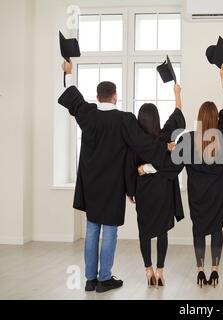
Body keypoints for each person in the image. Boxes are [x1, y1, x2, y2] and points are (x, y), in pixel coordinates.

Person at [58, 60, 173, 293]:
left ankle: (90, 279)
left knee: (92, 229)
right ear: (115, 97)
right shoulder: (124, 119)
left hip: (90, 184)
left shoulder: (88, 114)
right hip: (112, 185)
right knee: (109, 229)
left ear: (98, 97)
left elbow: (74, 100)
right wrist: (164, 149)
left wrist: (68, 74)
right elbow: (143, 144)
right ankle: (104, 279)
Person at [172, 64, 223, 288]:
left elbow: (173, 162)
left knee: (199, 230)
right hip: (219, 195)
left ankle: (200, 271)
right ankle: (215, 270)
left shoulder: (187, 139)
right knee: (216, 229)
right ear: (217, 120)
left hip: (197, 195)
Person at [126, 83, 186, 288]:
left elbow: (129, 168)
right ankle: (160, 271)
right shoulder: (164, 136)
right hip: (163, 191)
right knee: (162, 231)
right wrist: (177, 94)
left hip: (144, 192)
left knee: (144, 232)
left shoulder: (135, 142)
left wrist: (131, 190)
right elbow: (177, 116)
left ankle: (148, 270)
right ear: (157, 120)